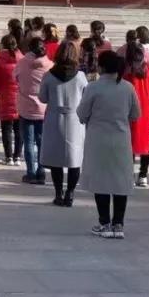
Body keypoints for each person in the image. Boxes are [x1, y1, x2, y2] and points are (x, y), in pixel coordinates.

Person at [78, 51, 141, 239]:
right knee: (120, 182)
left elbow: (82, 114)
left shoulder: (93, 87)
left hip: (98, 139)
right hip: (121, 139)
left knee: (101, 181)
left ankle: (104, 222)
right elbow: (136, 114)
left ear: (102, 67)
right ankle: (118, 223)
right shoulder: (128, 87)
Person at [39, 41, 87, 205]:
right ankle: (70, 192)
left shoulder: (49, 75)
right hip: (74, 119)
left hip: (54, 117)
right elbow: (86, 97)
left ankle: (58, 193)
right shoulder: (80, 77)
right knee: (75, 158)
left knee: (56, 159)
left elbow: (42, 98)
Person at [122, 42, 149, 188]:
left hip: (128, 111)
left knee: (128, 144)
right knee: (147, 143)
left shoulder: (125, 71)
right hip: (146, 111)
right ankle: (143, 174)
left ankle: (129, 174)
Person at [15, 35, 51, 184]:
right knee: (41, 141)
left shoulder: (22, 62)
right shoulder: (50, 65)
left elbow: (15, 77)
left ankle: (30, 172)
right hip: (43, 108)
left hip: (26, 107)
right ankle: (41, 172)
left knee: (28, 142)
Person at [0, 35, 21, 166]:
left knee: (6, 129)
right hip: (20, 99)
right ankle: (17, 156)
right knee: (19, 130)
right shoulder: (22, 60)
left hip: (5, 97)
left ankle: (8, 157)